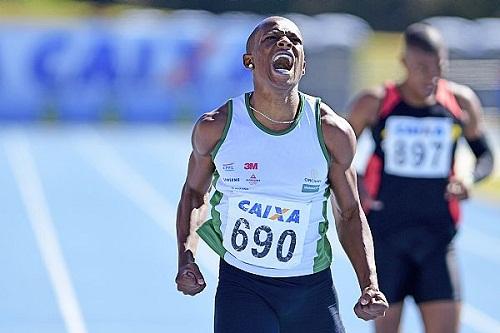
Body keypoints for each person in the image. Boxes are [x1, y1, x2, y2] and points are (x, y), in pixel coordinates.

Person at [175, 16, 388, 333]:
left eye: (294, 40)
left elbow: (349, 213)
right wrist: (187, 257)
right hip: (242, 286)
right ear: (250, 60)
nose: (285, 42)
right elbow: (194, 195)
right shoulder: (216, 127)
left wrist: (369, 282)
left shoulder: (331, 132)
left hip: (311, 290)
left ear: (303, 66)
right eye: (272, 38)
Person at [347, 23, 494, 333]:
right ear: (404, 63)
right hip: (387, 240)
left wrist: (469, 178)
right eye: (422, 68)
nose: (431, 76)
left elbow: (485, 156)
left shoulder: (460, 102)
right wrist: (357, 184)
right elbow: (337, 155)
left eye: (439, 66)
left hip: (438, 240)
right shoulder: (374, 102)